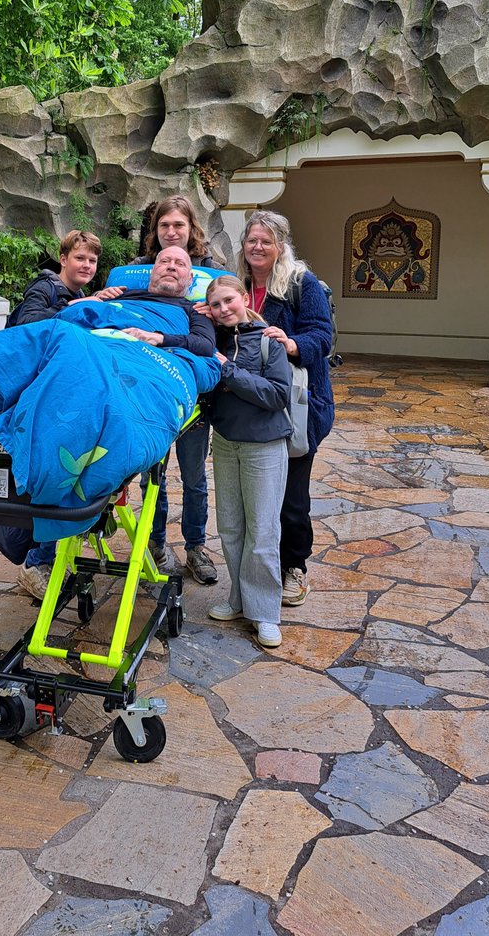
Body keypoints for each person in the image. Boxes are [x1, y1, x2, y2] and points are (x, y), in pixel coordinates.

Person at [0, 230, 104, 598]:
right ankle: (36, 563)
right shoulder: (47, 288)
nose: (86, 265)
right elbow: (30, 324)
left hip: (56, 396)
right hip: (30, 398)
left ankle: (46, 554)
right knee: (51, 475)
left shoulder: (80, 295)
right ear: (63, 259)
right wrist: (76, 311)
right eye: (80, 258)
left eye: (91, 260)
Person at [235, 209, 335, 606]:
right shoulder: (236, 284)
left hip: (296, 405)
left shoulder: (300, 284)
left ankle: (295, 566)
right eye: (252, 240)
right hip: (252, 405)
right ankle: (256, 568)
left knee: (291, 497)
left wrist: (292, 344)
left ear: (280, 246)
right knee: (255, 497)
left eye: (266, 241)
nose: (258, 247)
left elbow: (321, 337)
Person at [132, 196, 224, 585]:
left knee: (194, 476)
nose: (171, 233)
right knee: (152, 473)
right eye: (164, 226)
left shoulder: (210, 277)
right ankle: (154, 541)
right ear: (155, 232)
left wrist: (213, 311)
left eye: (179, 226)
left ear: (192, 230)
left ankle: (196, 546)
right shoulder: (136, 275)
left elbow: (219, 332)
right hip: (149, 392)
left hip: (193, 395)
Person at [202, 276, 292, 649]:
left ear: (243, 297)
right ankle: (239, 601)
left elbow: (277, 395)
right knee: (231, 527)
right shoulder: (213, 338)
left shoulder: (269, 341)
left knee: (262, 532)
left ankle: (266, 612)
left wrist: (229, 371)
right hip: (225, 443)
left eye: (228, 301)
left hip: (264, 446)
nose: (224, 310)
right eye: (215, 305)